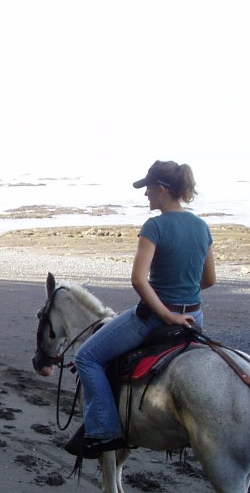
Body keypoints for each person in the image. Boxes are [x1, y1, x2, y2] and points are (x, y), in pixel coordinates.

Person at [68, 160, 216, 456]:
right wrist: (182, 295)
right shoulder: (201, 226)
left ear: (161, 190)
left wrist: (166, 313)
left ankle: (103, 430)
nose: (145, 194)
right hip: (194, 317)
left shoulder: (155, 226)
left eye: (148, 188)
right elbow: (210, 279)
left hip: (158, 319)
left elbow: (138, 279)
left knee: (86, 357)